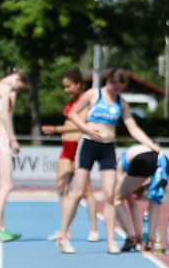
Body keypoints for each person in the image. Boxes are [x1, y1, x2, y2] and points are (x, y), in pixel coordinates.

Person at [54, 68, 162, 254]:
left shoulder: (121, 102)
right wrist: (86, 129)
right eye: (115, 88)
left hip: (108, 148)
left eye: (121, 89)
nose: (117, 92)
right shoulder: (93, 94)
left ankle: (111, 241)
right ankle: (63, 236)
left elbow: (132, 127)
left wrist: (151, 144)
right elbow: (71, 114)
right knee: (78, 191)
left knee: (110, 195)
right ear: (108, 82)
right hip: (88, 145)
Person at [41, 68, 100, 243]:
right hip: (65, 149)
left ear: (78, 85)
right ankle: (64, 230)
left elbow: (80, 126)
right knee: (61, 187)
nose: (66, 90)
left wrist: (56, 129)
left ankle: (94, 229)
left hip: (79, 148)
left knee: (86, 191)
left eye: (69, 86)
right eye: (64, 87)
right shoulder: (71, 101)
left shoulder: (85, 100)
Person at [0, 67, 28, 242]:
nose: (18, 90)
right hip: (2, 136)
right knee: (7, 185)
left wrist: (14, 94)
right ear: (17, 79)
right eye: (20, 87)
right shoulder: (4, 89)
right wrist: (13, 139)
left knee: (0, 185)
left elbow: (2, 113)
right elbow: (4, 115)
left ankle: (0, 226)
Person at [114, 144, 169, 252]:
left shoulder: (120, 166)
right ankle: (150, 240)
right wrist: (139, 235)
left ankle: (131, 238)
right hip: (164, 161)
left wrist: (136, 236)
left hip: (144, 160)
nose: (136, 196)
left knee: (115, 199)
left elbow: (130, 202)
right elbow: (132, 203)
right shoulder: (133, 157)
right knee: (155, 200)